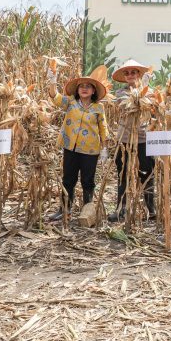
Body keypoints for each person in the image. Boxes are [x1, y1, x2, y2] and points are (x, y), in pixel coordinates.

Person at [47, 65, 110, 221]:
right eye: (82, 86)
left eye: (88, 87)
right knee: (68, 179)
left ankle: (87, 212)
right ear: (77, 89)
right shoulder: (70, 102)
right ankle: (64, 209)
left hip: (90, 150)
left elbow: (103, 128)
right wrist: (52, 80)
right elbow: (55, 97)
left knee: (88, 181)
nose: (84, 89)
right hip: (71, 147)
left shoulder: (98, 108)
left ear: (94, 91)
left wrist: (104, 149)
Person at [108, 59, 156, 222]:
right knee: (123, 174)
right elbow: (129, 105)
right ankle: (121, 209)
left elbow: (155, 110)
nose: (130, 75)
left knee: (148, 173)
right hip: (126, 139)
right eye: (127, 73)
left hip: (145, 139)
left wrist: (147, 91)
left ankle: (151, 209)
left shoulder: (150, 92)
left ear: (139, 74)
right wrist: (142, 92)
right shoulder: (121, 93)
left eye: (133, 72)